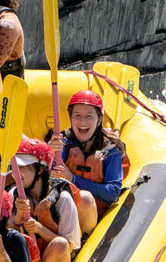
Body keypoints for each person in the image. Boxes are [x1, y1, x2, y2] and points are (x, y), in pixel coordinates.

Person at [9, 138, 81, 262]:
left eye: (22, 166)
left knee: (60, 244)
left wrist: (39, 229)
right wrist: (18, 218)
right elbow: (7, 236)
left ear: (40, 169)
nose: (15, 172)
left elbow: (69, 247)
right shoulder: (13, 194)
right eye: (15, 166)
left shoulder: (63, 199)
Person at [49, 89, 127, 228]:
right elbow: (51, 178)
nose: (82, 121)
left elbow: (113, 193)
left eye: (89, 116)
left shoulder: (111, 150)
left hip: (93, 214)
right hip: (65, 211)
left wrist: (73, 179)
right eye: (77, 115)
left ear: (98, 121)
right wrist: (49, 154)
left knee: (84, 199)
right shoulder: (64, 143)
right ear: (71, 118)